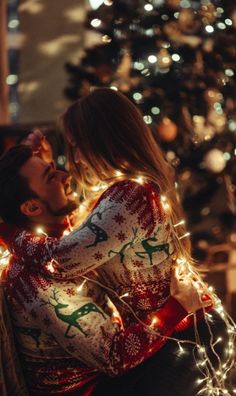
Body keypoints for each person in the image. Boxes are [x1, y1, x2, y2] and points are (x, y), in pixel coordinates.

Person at [0, 144, 208, 396]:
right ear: (32, 208)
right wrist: (178, 307)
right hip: (92, 389)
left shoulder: (56, 239)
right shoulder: (36, 284)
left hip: (104, 377)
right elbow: (115, 357)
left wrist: (44, 165)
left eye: (55, 169)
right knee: (193, 354)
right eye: (51, 177)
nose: (66, 176)